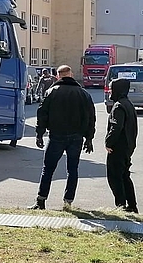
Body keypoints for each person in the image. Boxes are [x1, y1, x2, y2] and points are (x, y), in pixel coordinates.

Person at [31, 64, 95, 211]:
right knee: (72, 170)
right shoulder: (83, 94)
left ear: (58, 76)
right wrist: (89, 138)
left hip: (56, 136)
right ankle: (68, 202)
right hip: (76, 137)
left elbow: (42, 114)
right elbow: (91, 117)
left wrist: (39, 134)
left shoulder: (51, 92)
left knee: (47, 169)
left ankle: (41, 200)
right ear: (71, 75)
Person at [104, 78, 138, 212]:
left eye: (112, 89)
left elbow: (116, 127)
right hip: (128, 146)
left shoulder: (119, 106)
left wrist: (108, 142)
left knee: (115, 177)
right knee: (124, 176)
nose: (110, 92)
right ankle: (132, 205)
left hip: (118, 147)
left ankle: (121, 205)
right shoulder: (128, 104)